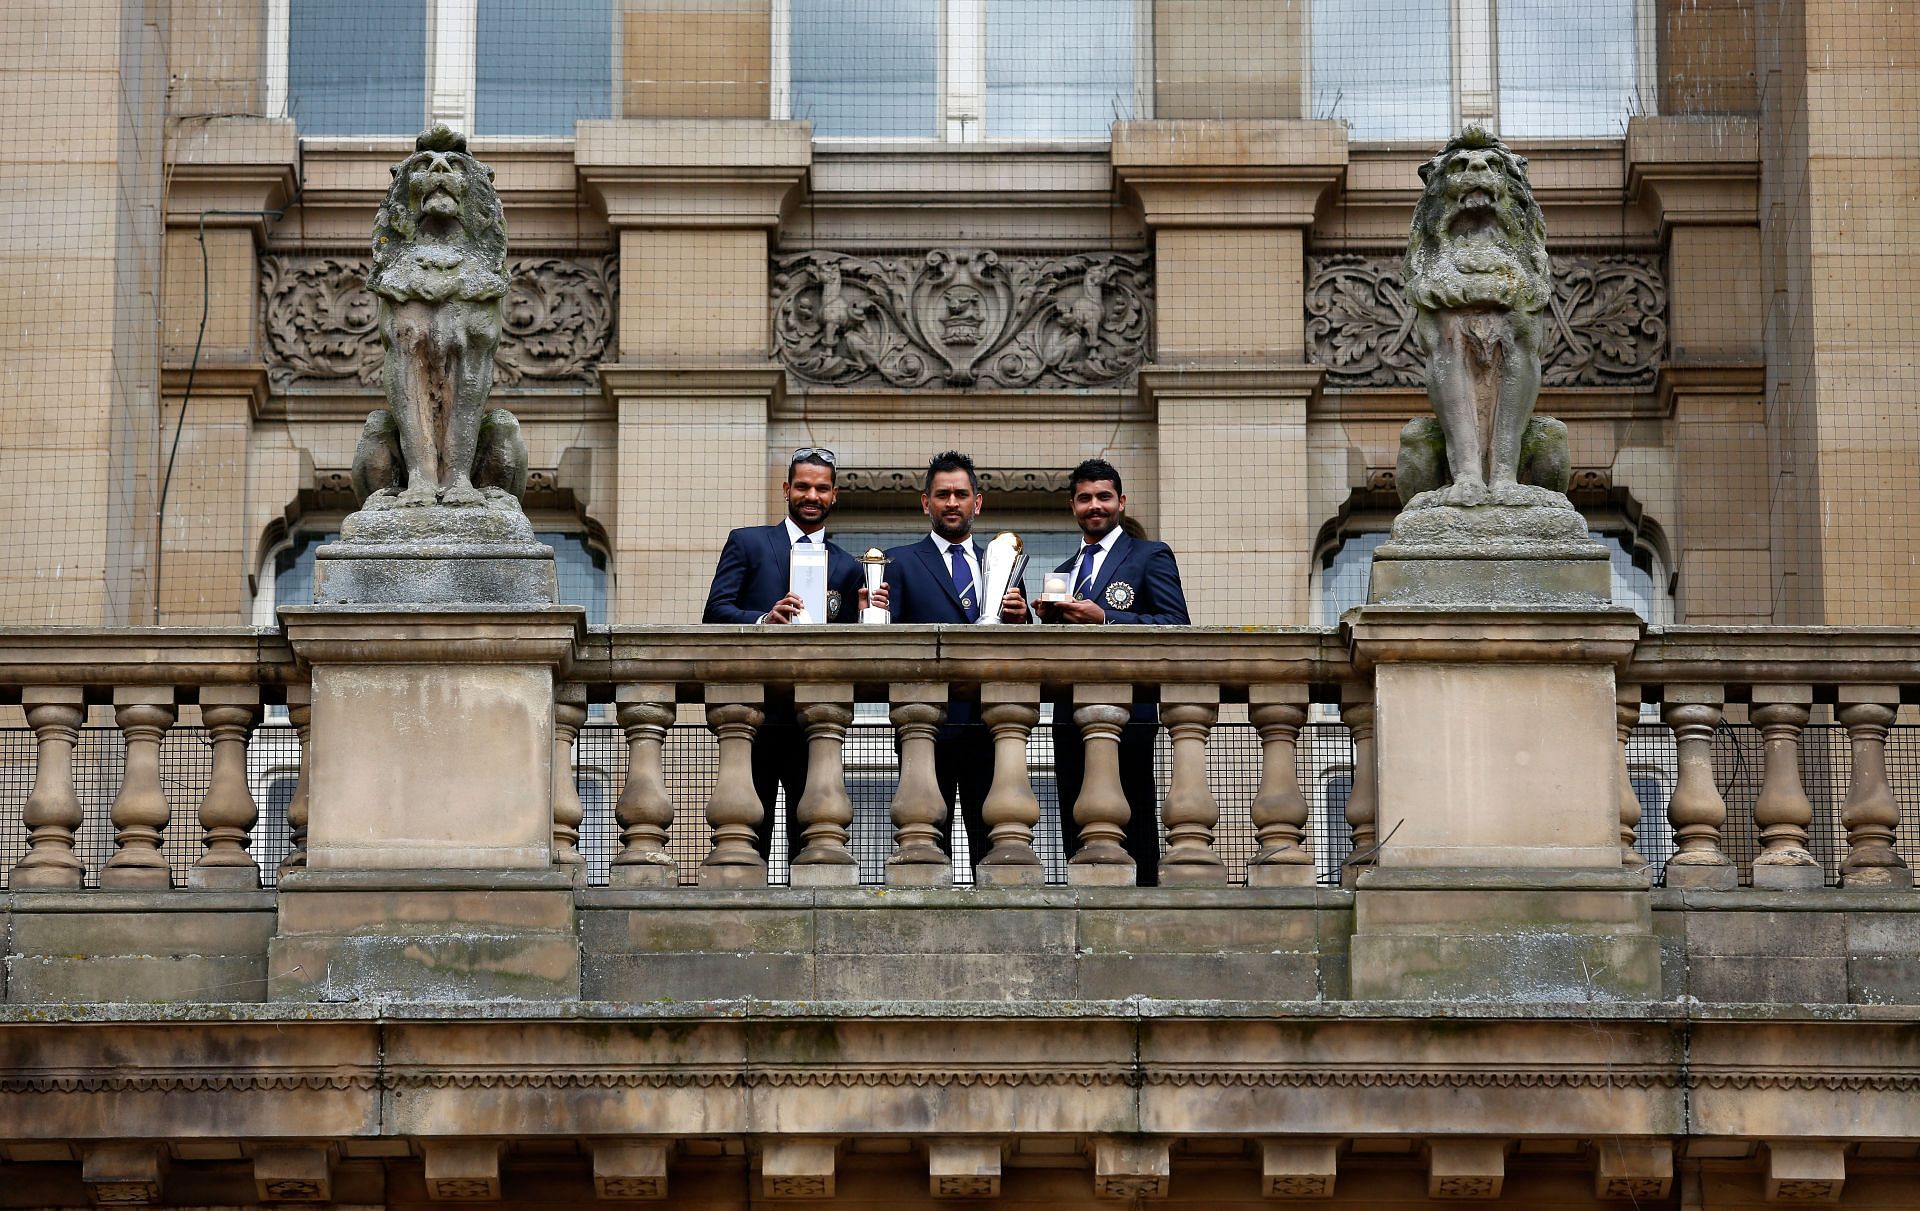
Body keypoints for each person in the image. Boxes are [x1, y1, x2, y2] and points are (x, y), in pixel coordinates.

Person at [701, 447, 879, 864]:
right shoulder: (747, 542)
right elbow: (714, 612)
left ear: (835, 495)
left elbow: (849, 641)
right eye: (802, 486)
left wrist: (873, 610)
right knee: (745, 835)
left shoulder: (848, 567)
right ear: (786, 489)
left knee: (815, 835)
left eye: (821, 488)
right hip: (752, 713)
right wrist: (765, 617)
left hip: (814, 719)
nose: (811, 495)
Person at [1022, 457, 1190, 885]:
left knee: (1132, 816)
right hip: (1067, 714)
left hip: (1129, 713)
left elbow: (1177, 626)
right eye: (1084, 498)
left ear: (1121, 502)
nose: (1094, 505)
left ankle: (1144, 909)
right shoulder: (1062, 572)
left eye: (1103, 497)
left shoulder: (1149, 555)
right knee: (1075, 820)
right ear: (1072, 506)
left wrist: (1107, 618)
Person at [882, 451, 1028, 869]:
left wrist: (1023, 616)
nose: (952, 503)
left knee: (997, 843)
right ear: (924, 502)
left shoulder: (1001, 559)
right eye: (942, 494)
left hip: (992, 724)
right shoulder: (900, 561)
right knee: (925, 844)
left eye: (961, 494)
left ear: (976, 503)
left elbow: (1019, 647)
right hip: (927, 724)